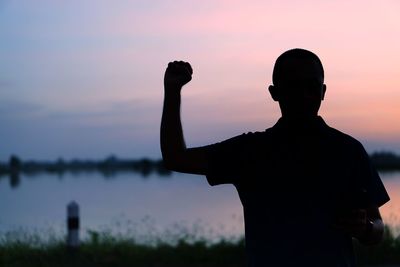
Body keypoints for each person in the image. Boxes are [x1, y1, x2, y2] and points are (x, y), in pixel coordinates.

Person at [160, 48, 390, 267]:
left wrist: (365, 228)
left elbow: (377, 229)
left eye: (311, 86)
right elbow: (175, 158)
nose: (303, 95)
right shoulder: (250, 151)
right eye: (292, 87)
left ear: (323, 91)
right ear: (274, 93)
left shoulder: (348, 151)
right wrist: (172, 91)